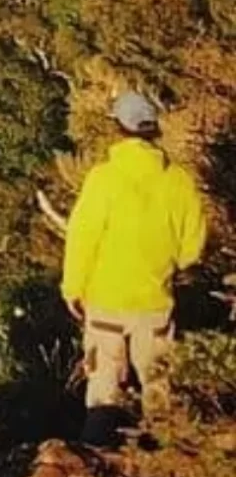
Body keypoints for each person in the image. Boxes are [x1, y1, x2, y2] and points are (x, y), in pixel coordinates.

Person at [61, 89, 207, 441]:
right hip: (154, 303)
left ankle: (99, 464)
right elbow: (193, 246)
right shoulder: (179, 181)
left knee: (104, 387)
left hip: (106, 301)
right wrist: (169, 265)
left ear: (119, 128)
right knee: (158, 387)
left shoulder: (103, 178)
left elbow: (82, 238)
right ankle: (162, 467)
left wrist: (72, 288)